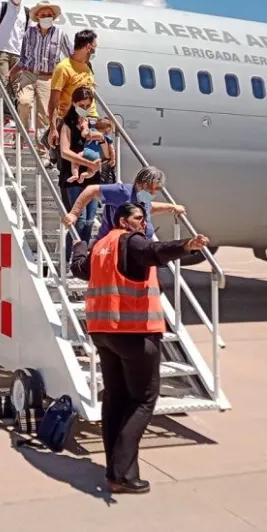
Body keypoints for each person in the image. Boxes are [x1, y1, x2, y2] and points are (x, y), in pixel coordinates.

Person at [86, 202, 210, 494]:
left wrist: (79, 248)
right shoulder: (132, 241)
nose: (143, 224)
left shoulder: (101, 245)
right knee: (143, 400)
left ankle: (119, 473)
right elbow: (153, 251)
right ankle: (120, 473)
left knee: (115, 399)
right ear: (123, 221)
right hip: (133, 333)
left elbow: (81, 269)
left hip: (103, 331)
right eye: (139, 218)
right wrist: (185, 245)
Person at [9, 0, 72, 161]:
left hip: (48, 77)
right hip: (29, 74)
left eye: (49, 15)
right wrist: (12, 72)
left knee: (44, 113)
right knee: (24, 102)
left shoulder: (60, 34)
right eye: (43, 15)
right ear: (37, 16)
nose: (46, 17)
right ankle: (20, 137)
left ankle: (42, 150)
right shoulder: (29, 33)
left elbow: (70, 56)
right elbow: (23, 57)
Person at [62, 165, 186, 245]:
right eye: (150, 190)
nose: (152, 194)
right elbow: (91, 190)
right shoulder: (123, 192)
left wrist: (172, 207)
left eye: (155, 191)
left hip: (136, 251)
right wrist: (74, 213)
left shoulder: (142, 200)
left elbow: (150, 207)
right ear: (140, 184)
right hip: (112, 249)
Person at [57, 87, 103, 251]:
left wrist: (101, 139)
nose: (85, 108)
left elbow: (101, 143)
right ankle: (70, 257)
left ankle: (82, 256)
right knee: (79, 219)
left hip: (92, 177)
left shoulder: (90, 124)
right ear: (74, 103)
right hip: (74, 177)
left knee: (90, 220)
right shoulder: (67, 124)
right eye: (81, 105)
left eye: (88, 105)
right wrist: (88, 163)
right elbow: (65, 152)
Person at [48, 29, 99, 148]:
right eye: (95, 47)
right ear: (88, 47)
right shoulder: (64, 68)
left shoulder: (87, 66)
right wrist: (53, 128)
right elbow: (53, 102)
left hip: (90, 120)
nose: (95, 51)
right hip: (71, 122)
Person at [67, 117, 114, 185]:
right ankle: (84, 175)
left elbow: (84, 134)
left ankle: (75, 174)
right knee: (92, 171)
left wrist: (84, 126)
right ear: (107, 129)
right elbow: (111, 149)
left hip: (85, 152)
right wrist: (113, 159)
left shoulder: (91, 131)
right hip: (96, 156)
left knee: (75, 161)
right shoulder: (106, 137)